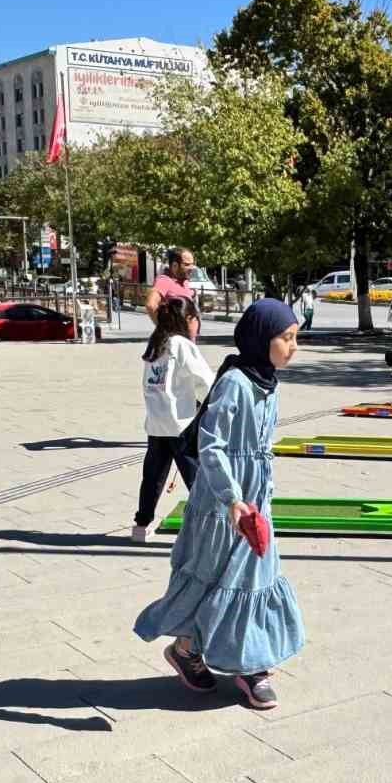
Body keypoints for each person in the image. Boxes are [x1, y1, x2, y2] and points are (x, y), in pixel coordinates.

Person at [133, 300, 305, 710]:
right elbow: (212, 446)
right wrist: (231, 499)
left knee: (254, 578)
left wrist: (261, 493)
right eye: (287, 338)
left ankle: (250, 664)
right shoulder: (235, 384)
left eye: (295, 337)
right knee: (212, 579)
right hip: (222, 506)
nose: (294, 346)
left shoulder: (267, 383)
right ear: (261, 340)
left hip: (255, 504)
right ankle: (190, 650)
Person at [132, 297, 213, 543]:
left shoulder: (156, 342)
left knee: (153, 477)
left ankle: (141, 525)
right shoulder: (182, 345)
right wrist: (207, 405)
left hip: (157, 422)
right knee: (197, 478)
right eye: (196, 319)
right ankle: (210, 526)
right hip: (182, 422)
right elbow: (206, 382)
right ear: (188, 319)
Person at [142, 247, 195, 320]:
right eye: (187, 264)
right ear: (175, 265)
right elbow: (150, 305)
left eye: (192, 264)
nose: (191, 268)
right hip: (174, 331)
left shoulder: (185, 281)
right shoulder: (164, 280)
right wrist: (163, 327)